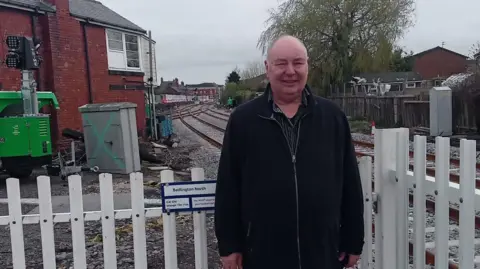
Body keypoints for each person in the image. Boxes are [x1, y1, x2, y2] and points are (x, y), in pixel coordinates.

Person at [214, 35, 364, 269]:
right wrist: (229, 245)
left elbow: (350, 183)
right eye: (281, 63)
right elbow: (228, 187)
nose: (290, 71)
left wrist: (353, 240)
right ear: (267, 68)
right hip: (263, 253)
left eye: (298, 62)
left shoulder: (333, 117)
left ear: (307, 65)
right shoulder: (243, 121)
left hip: (323, 251)